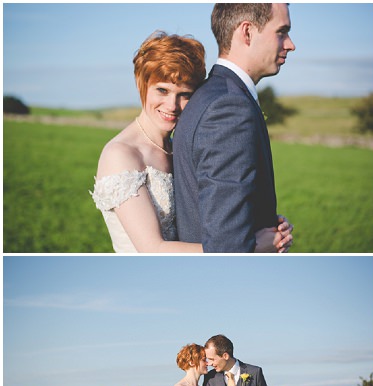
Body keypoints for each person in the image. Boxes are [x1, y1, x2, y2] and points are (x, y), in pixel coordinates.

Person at [90, 31, 289, 253]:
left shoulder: (178, 145)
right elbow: (152, 249)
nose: (172, 105)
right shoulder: (121, 155)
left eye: (184, 94)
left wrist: (265, 228)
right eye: (162, 90)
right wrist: (248, 247)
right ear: (142, 83)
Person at [173, 4, 296, 252]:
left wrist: (265, 222)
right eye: (281, 32)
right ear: (247, 32)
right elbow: (225, 242)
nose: (291, 44)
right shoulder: (230, 108)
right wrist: (258, 246)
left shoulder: (213, 95)